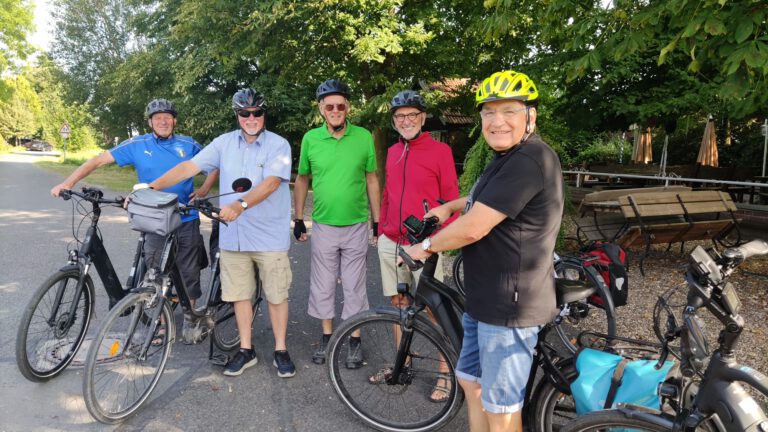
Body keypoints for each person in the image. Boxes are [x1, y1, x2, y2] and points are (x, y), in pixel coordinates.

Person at [402, 70, 563, 432]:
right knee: (471, 384)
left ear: (530, 116)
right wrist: (451, 206)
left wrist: (425, 247)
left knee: (501, 407)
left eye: (508, 111)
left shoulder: (529, 160)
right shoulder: (507, 158)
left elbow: (475, 227)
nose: (497, 121)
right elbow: (483, 200)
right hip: (484, 299)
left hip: (509, 308)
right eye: (489, 113)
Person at [147, 89, 296, 378]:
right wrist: (152, 187)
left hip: (268, 236)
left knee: (277, 295)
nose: (251, 118)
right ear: (237, 115)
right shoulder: (223, 143)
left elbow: (272, 183)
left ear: (264, 115)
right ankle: (246, 349)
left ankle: (280, 349)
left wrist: (240, 204)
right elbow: (189, 167)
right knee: (240, 295)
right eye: (245, 113)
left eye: (257, 113)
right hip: (234, 235)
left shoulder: (278, 145)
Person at [50, 99, 217, 329]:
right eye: (157, 118)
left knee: (189, 271)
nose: (163, 121)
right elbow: (98, 161)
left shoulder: (188, 145)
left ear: (175, 120)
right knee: (154, 272)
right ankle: (159, 325)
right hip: (153, 219)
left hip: (184, 216)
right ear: (150, 122)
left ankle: (190, 319)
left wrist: (204, 189)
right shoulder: (138, 144)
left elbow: (214, 164)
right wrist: (67, 183)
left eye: (167, 117)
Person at [375, 89, 459, 402]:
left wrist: (438, 242)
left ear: (423, 118)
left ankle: (445, 373)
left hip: (425, 244)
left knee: (437, 312)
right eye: (400, 116)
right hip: (391, 241)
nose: (406, 120)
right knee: (399, 305)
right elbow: (388, 194)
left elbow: (451, 200)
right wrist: (382, 229)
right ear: (394, 121)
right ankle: (402, 363)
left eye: (412, 115)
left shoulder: (440, 151)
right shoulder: (393, 151)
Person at [293, 79, 381, 367]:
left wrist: (377, 220)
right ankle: (327, 337)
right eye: (329, 106)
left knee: (355, 285)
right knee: (323, 283)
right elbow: (303, 179)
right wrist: (297, 219)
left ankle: (354, 340)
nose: (335, 110)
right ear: (321, 109)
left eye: (340, 105)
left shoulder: (364, 137)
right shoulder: (310, 139)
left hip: (356, 223)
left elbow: (371, 179)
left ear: (347, 107)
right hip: (323, 225)